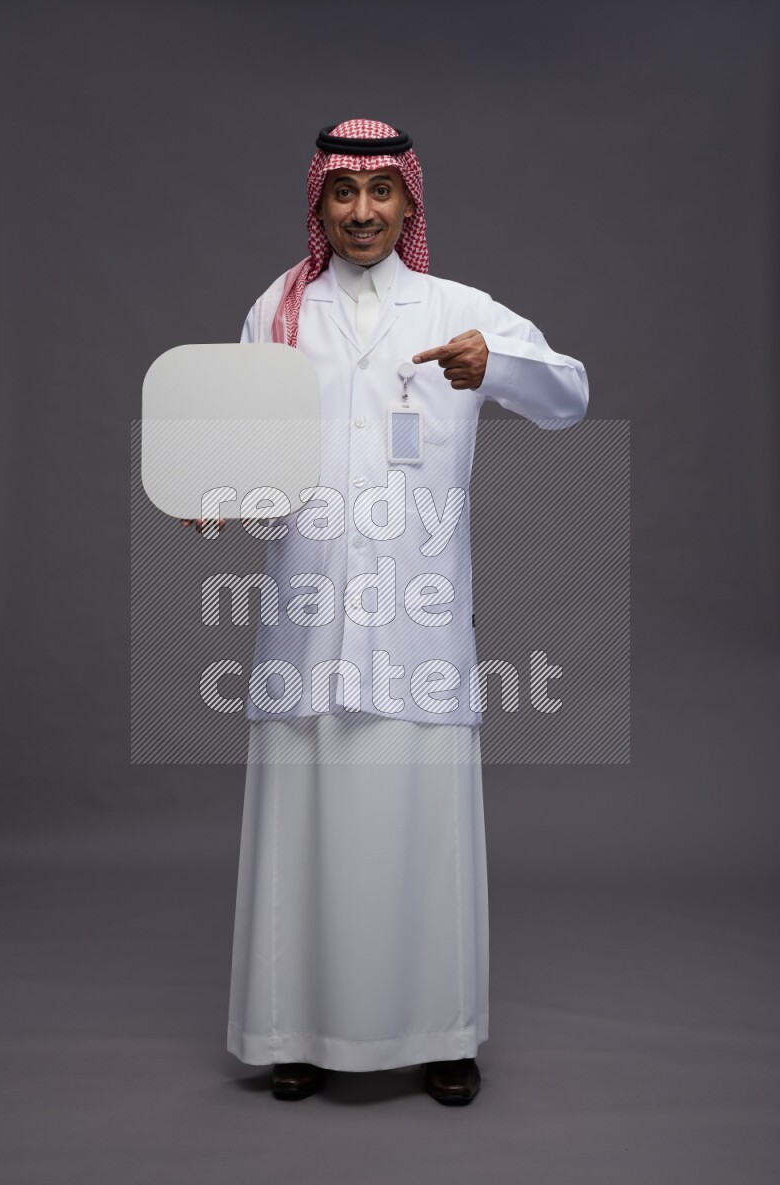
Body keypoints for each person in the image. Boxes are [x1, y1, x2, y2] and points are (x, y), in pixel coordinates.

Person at [206, 118, 589, 1105]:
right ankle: (294, 1032)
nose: (363, 211)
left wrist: (494, 367)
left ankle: (441, 1034)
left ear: (409, 200)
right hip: (307, 614)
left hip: (417, 622)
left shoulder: (456, 309)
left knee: (423, 834)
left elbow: (569, 396)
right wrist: (216, 491)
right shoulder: (278, 310)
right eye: (344, 192)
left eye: (382, 191)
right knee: (303, 834)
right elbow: (237, 447)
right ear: (319, 202)